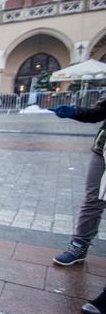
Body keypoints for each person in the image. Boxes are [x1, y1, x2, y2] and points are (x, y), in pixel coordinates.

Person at [50, 96, 106, 266]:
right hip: (103, 149)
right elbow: (98, 113)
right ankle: (79, 245)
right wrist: (74, 112)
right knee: (93, 199)